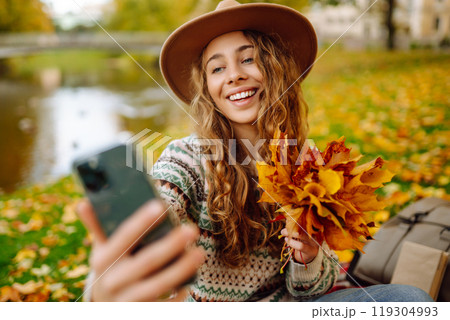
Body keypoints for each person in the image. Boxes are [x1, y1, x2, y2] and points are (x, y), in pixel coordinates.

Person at [77, 0, 433, 302]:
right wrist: (104, 284)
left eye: (248, 60)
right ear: (209, 89)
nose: (233, 76)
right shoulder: (187, 158)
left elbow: (311, 290)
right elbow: (163, 206)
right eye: (218, 68)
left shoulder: (304, 159)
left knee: (409, 300)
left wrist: (308, 255)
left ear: (275, 70)